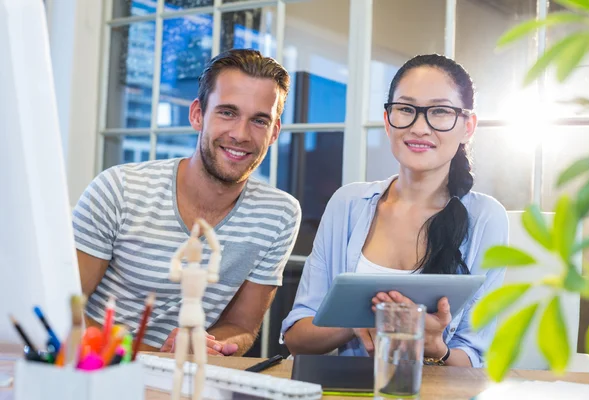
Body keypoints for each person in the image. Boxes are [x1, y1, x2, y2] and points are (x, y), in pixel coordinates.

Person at [281, 54, 508, 367]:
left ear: (468, 127)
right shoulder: (348, 204)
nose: (419, 127)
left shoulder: (486, 218)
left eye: (440, 112)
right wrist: (362, 320)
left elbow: (478, 360)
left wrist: (433, 346)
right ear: (388, 121)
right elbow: (296, 338)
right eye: (406, 109)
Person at [73, 49, 301, 356]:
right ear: (197, 115)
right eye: (227, 112)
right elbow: (65, 306)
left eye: (259, 120)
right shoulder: (119, 188)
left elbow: (242, 326)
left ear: (274, 132)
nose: (240, 134)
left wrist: (207, 345)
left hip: (187, 378)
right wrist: (154, 356)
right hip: (96, 369)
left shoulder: (280, 214)